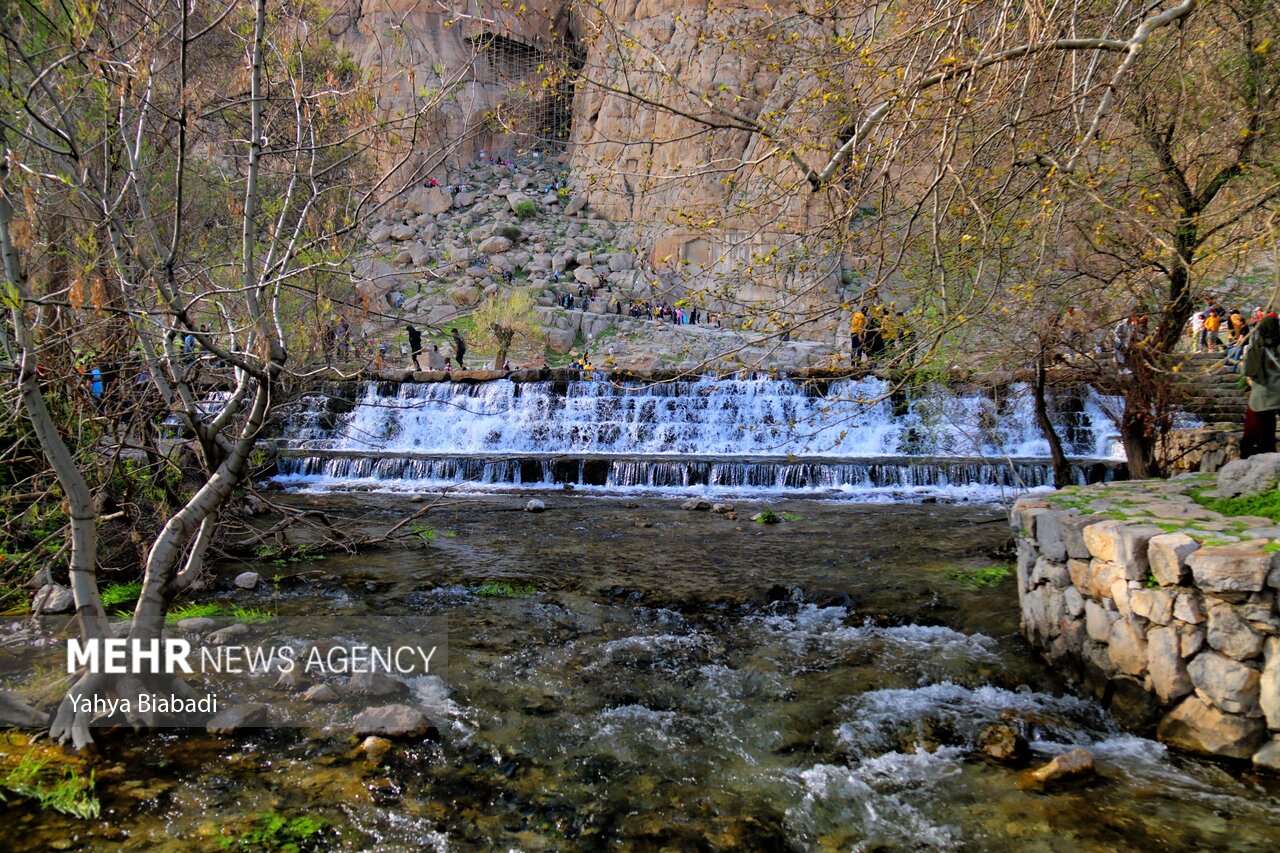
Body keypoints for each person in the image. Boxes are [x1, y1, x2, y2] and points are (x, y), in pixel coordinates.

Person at [1241, 314, 1280, 458]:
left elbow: (1246, 371)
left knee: (1267, 429)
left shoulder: (1255, 347)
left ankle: (1267, 457)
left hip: (1261, 394)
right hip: (1278, 392)